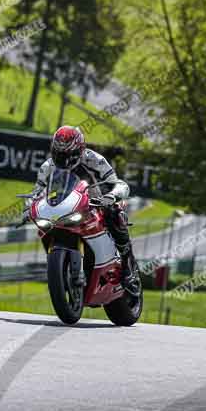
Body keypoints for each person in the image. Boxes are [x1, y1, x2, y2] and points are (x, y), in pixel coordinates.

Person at [27, 125, 141, 295]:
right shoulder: (47, 166)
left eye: (68, 155)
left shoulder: (95, 160)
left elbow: (117, 183)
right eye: (59, 154)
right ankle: (60, 268)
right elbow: (37, 192)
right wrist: (29, 206)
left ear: (80, 150)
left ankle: (127, 267)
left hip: (96, 203)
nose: (64, 160)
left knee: (115, 213)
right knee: (44, 227)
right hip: (64, 207)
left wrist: (111, 196)